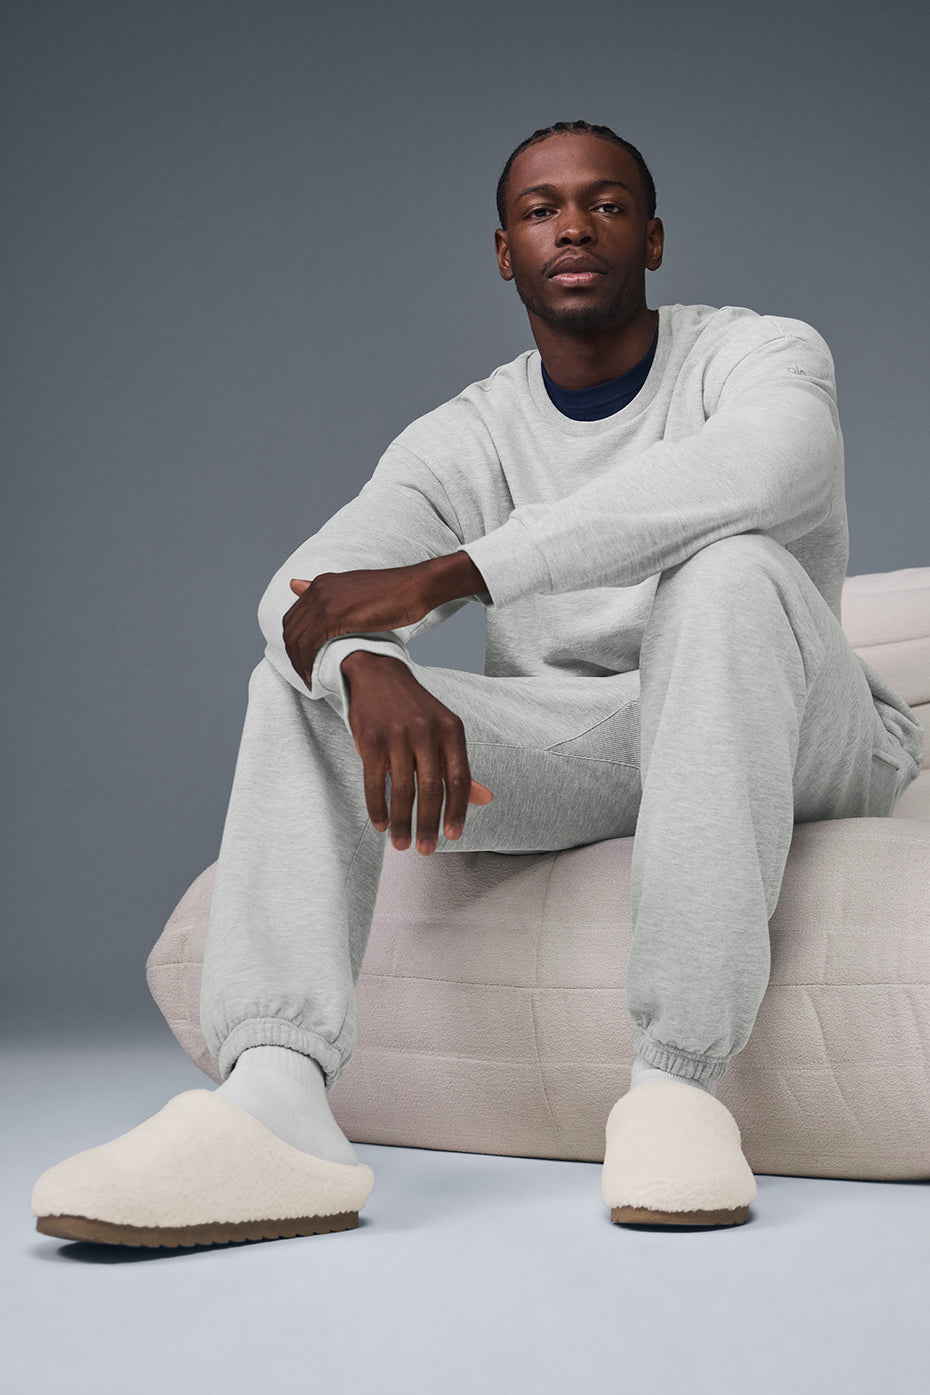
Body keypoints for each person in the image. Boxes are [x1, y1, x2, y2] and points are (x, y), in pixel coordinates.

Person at [31, 120, 924, 1245]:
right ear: (506, 252)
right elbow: (307, 590)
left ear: (653, 238)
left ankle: (676, 1084)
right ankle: (275, 1102)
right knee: (297, 683)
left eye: (606, 204)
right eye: (542, 210)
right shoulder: (470, 434)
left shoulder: (760, 354)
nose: (574, 227)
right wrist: (363, 660)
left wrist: (460, 572)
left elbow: (762, 467)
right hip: (601, 744)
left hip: (803, 729)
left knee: (730, 572)